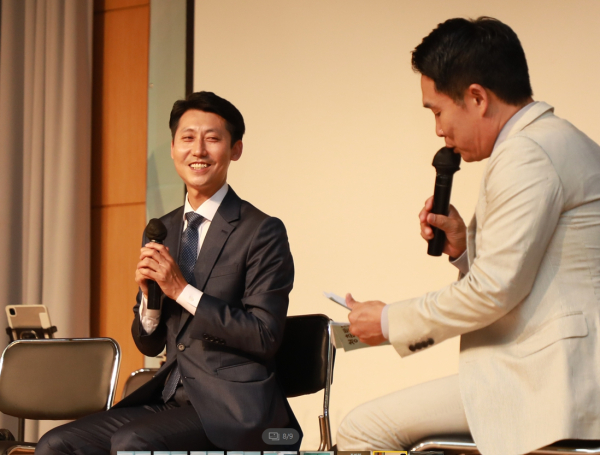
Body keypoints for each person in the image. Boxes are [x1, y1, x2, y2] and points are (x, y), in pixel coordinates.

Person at [336, 17, 600, 455]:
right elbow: (522, 277)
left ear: (477, 97)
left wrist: (388, 322)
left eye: (437, 111)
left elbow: (493, 292)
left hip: (553, 381)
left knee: (362, 430)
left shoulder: (527, 153)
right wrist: (462, 251)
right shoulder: (556, 139)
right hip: (551, 371)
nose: (438, 130)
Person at [36, 91, 301, 453]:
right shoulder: (162, 228)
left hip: (233, 407)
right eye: (187, 138)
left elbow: (263, 335)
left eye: (212, 138)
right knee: (56, 444)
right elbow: (150, 342)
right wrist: (151, 301)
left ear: (235, 150)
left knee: (133, 442)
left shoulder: (261, 231)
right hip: (168, 396)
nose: (198, 150)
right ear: (174, 148)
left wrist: (181, 291)